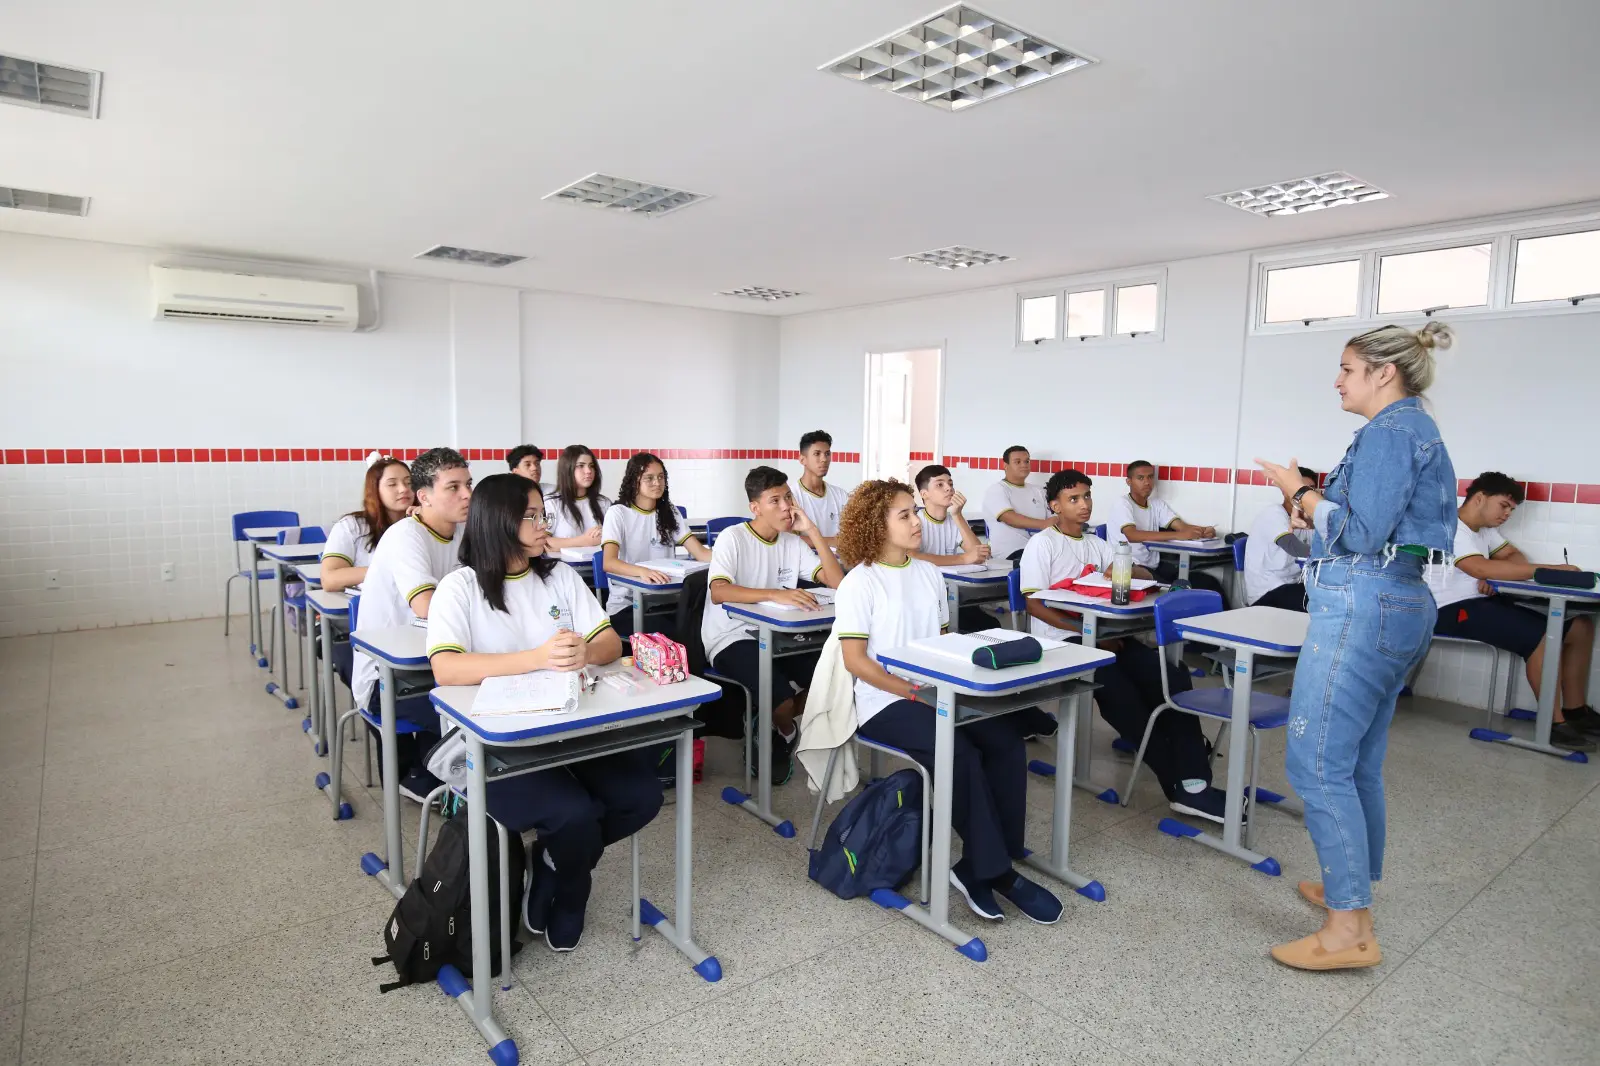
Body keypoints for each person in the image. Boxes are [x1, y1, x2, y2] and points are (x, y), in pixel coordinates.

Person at [1258, 320, 1459, 972]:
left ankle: (1349, 930)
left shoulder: (1390, 433)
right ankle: (1352, 890)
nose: (1337, 380)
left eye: (1347, 368)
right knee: (1357, 759)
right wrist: (1310, 514)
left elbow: (1364, 533)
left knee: (1316, 762)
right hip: (1395, 600)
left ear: (1383, 372)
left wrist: (1302, 492)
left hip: (1361, 607)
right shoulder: (1413, 432)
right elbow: (1360, 534)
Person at [428, 473, 657, 952]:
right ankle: (574, 890)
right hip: (492, 744)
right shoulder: (460, 588)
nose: (540, 523)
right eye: (529, 515)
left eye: (541, 514)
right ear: (496, 522)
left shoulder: (559, 576)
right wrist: (536, 658)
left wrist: (585, 654)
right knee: (574, 814)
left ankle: (554, 862)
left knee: (641, 795)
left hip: (567, 726)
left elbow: (610, 641)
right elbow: (446, 667)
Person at [835, 479, 1063, 924]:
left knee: (1005, 740)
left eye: (914, 512)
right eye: (905, 515)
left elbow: (940, 643)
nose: (917, 521)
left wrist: (947, 686)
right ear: (876, 526)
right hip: (885, 701)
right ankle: (995, 873)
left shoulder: (927, 573)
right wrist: (910, 690)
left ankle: (989, 858)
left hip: (934, 691)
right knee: (958, 751)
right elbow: (855, 661)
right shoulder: (859, 583)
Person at [1021, 469, 1232, 821]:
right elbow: (1034, 605)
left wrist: (1131, 571)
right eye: (1073, 499)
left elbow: (1139, 573)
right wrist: (1088, 632)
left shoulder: (1097, 543)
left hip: (1108, 636)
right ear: (1055, 505)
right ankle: (1177, 782)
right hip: (1062, 640)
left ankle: (1196, 780)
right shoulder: (1043, 544)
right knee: (1119, 692)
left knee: (1172, 675)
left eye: (1087, 496)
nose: (1084, 504)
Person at [1426, 471, 1597, 751]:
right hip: (1449, 610)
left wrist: (1494, 574)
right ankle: (1554, 726)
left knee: (1581, 627)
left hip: (1481, 605)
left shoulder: (1485, 531)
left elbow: (1511, 556)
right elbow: (1479, 566)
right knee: (1545, 636)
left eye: (1512, 510)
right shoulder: (1448, 527)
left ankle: (1576, 713)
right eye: (1504, 506)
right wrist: (1547, 571)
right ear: (1479, 498)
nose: (1507, 514)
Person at [702, 466, 846, 781]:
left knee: (834, 676)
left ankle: (765, 719)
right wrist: (775, 594)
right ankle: (783, 726)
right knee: (780, 698)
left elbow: (838, 582)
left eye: (788, 497)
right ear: (755, 508)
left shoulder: (791, 543)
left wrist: (812, 533)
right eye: (775, 501)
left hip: (778, 634)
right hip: (731, 636)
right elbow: (719, 591)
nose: (785, 507)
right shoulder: (733, 538)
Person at [353, 447, 473, 801]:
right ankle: (462, 794)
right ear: (424, 497)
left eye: (469, 484)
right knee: (470, 716)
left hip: (440, 663)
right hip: (390, 678)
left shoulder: (465, 531)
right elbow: (426, 606)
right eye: (453, 487)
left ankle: (474, 790)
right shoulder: (407, 535)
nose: (467, 494)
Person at [600, 452, 712, 639]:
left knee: (703, 621)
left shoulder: (670, 512)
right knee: (680, 630)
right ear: (634, 481)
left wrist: (729, 559)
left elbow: (700, 553)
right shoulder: (618, 513)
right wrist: (642, 571)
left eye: (661, 477)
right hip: (627, 607)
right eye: (649, 478)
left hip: (668, 602)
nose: (657, 483)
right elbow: (608, 563)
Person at [1106, 461, 1226, 597]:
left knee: (1208, 583)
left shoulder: (1156, 504)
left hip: (1155, 567)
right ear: (1128, 481)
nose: (1147, 482)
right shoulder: (1122, 503)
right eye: (1140, 478)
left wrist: (1204, 531)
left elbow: (1182, 527)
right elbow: (1132, 535)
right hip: (1131, 566)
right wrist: (1177, 535)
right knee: (1182, 589)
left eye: (1150, 477)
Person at [321, 453, 413, 594]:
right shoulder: (351, 526)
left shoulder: (420, 523)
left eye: (409, 483)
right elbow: (329, 579)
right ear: (375, 490)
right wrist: (389, 572)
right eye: (392, 484)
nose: (403, 489)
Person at [1242, 466, 1318, 611]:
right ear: (1285, 490)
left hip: (1292, 585)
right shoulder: (1273, 513)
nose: (1307, 495)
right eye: (1301, 489)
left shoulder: (1307, 518)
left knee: (1329, 596)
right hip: (1267, 592)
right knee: (1318, 603)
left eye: (1311, 490)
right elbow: (1293, 546)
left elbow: (1326, 543)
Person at [981, 445, 1051, 561]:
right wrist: (1043, 524)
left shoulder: (1039, 491)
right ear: (1005, 466)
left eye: (1026, 461)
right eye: (1017, 462)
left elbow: (1052, 520)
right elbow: (1009, 518)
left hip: (1039, 550)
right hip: (1011, 554)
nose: (1024, 465)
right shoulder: (997, 490)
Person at [544, 445, 611, 550]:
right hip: (563, 565)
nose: (588, 471)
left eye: (591, 466)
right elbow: (544, 542)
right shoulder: (552, 503)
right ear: (567, 469)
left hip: (599, 565)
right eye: (581, 466)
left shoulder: (604, 503)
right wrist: (584, 541)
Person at [793, 430, 850, 547]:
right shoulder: (792, 496)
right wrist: (832, 542)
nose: (824, 459)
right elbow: (789, 540)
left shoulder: (840, 495)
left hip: (839, 562)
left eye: (827, 454)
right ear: (802, 460)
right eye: (817, 454)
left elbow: (852, 535)